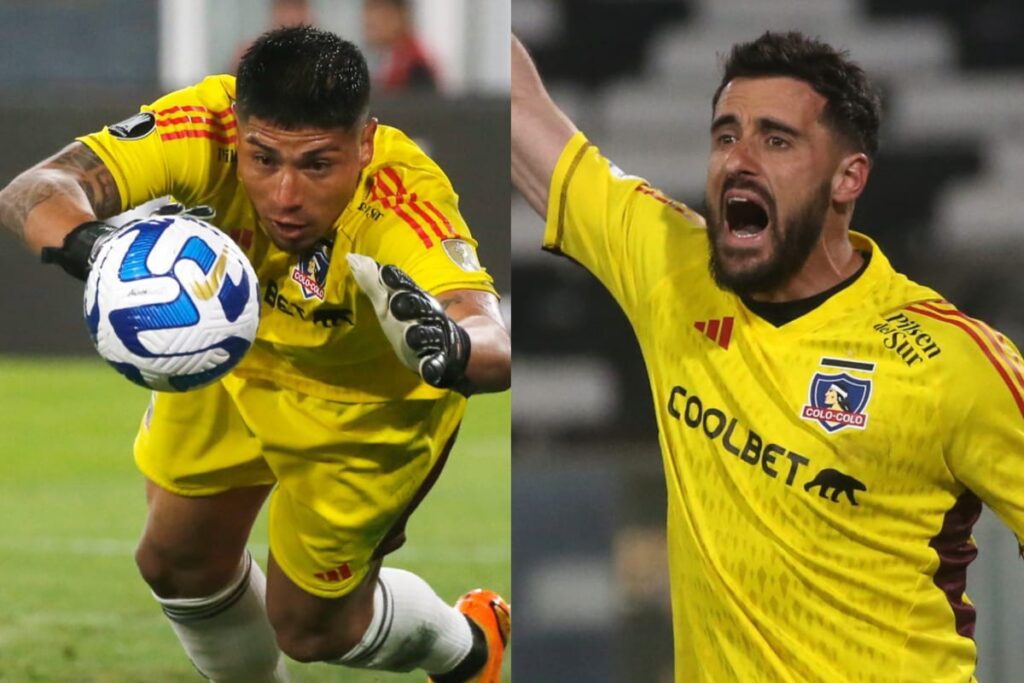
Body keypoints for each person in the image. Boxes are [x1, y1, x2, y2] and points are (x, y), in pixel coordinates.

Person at [0, 26, 509, 683]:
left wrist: (454, 344)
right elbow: (32, 191)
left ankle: (469, 648)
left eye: (317, 164)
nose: (285, 194)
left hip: (363, 410)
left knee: (312, 629)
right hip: (233, 351)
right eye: (264, 160)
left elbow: (489, 333)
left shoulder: (404, 199)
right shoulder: (201, 126)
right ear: (238, 134)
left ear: (364, 144)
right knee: (176, 561)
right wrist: (100, 250)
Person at [512, 30, 1024, 681]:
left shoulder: (948, 359)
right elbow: (522, 112)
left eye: (776, 140)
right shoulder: (673, 270)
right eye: (726, 135)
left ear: (848, 177)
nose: (739, 159)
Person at [363, 0, 440, 92]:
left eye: (376, 8)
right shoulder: (387, 60)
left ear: (400, 15)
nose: (367, 19)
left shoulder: (416, 66)